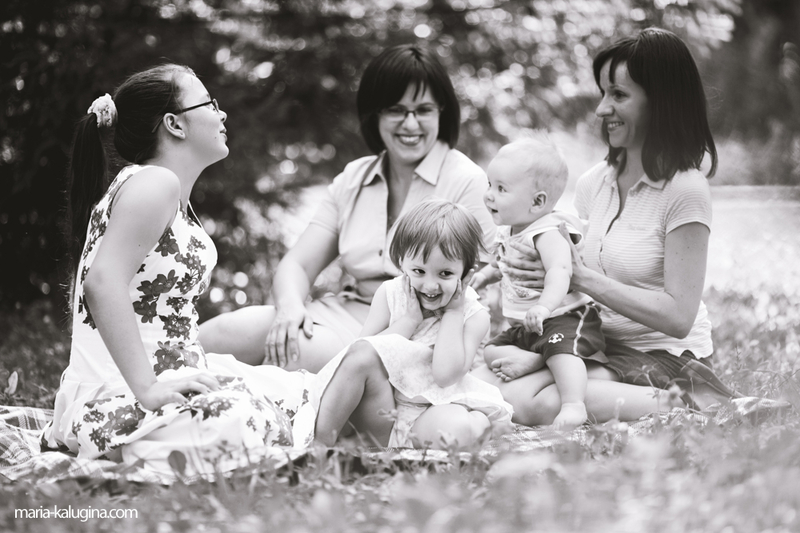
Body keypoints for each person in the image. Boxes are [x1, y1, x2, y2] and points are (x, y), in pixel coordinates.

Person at [42, 65, 314, 477]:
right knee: (244, 417)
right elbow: (101, 283)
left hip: (168, 372)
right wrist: (149, 389)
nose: (222, 114)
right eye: (210, 104)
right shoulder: (155, 183)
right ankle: (133, 442)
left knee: (293, 390)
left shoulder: (161, 190)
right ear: (174, 124)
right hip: (121, 392)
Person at [474, 28, 745, 426]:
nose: (602, 109)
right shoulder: (593, 183)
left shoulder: (685, 190)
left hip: (663, 355)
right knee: (484, 389)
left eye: (618, 95)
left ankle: (704, 403)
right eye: (603, 93)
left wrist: (582, 278)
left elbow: (678, 317)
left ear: (661, 102)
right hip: (596, 344)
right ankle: (553, 363)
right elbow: (564, 269)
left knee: (544, 403)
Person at [198, 44, 496, 372]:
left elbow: (483, 280)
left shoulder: (466, 181)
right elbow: (298, 264)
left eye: (423, 110)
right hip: (342, 313)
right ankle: (157, 390)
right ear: (375, 113)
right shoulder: (355, 177)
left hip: (416, 331)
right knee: (228, 331)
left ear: (442, 112)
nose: (410, 124)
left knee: (293, 353)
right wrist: (290, 308)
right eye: (396, 110)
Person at [299, 199, 513, 448]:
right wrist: (409, 321)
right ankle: (321, 444)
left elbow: (445, 376)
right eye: (419, 271)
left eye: (445, 274)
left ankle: (450, 434)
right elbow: (360, 355)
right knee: (363, 352)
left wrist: (453, 313)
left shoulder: (474, 316)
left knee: (463, 427)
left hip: (428, 414)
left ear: (466, 272)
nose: (430, 286)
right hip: (380, 411)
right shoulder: (390, 294)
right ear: (402, 263)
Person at [471, 134, 606, 430]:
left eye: (501, 188)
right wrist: (482, 276)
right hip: (528, 327)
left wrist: (545, 307)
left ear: (537, 202)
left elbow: (560, 270)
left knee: (562, 354)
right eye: (490, 185)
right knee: (491, 351)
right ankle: (534, 358)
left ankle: (573, 404)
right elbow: (501, 264)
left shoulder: (547, 232)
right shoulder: (510, 231)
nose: (489, 195)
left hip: (562, 318)